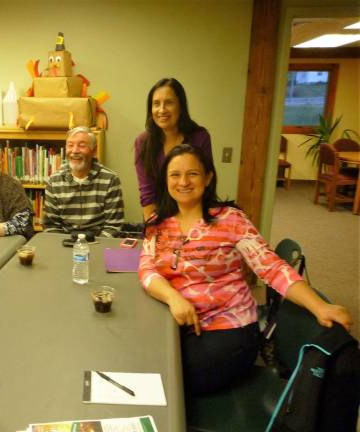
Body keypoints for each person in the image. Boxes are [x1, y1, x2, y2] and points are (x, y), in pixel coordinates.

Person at [138, 144, 353, 397]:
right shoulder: (157, 223)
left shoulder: (230, 220)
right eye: (175, 174)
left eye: (193, 174)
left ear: (208, 178)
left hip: (229, 329)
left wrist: (319, 306)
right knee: (142, 364)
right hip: (176, 320)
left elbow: (271, 268)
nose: (183, 181)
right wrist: (173, 297)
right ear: (165, 180)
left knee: (164, 385)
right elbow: (147, 268)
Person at [135, 78, 213, 222]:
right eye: (156, 104)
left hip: (196, 216)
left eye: (169, 103)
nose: (162, 110)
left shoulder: (200, 137)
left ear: (181, 106)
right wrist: (152, 230)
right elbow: (147, 195)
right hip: (159, 217)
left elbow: (206, 182)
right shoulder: (143, 142)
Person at [43, 126, 125, 237]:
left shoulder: (110, 179)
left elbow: (113, 226)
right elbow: (51, 226)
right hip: (65, 243)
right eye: (70, 145)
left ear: (94, 151)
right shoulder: (53, 182)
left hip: (99, 243)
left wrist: (92, 246)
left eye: (81, 146)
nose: (75, 151)